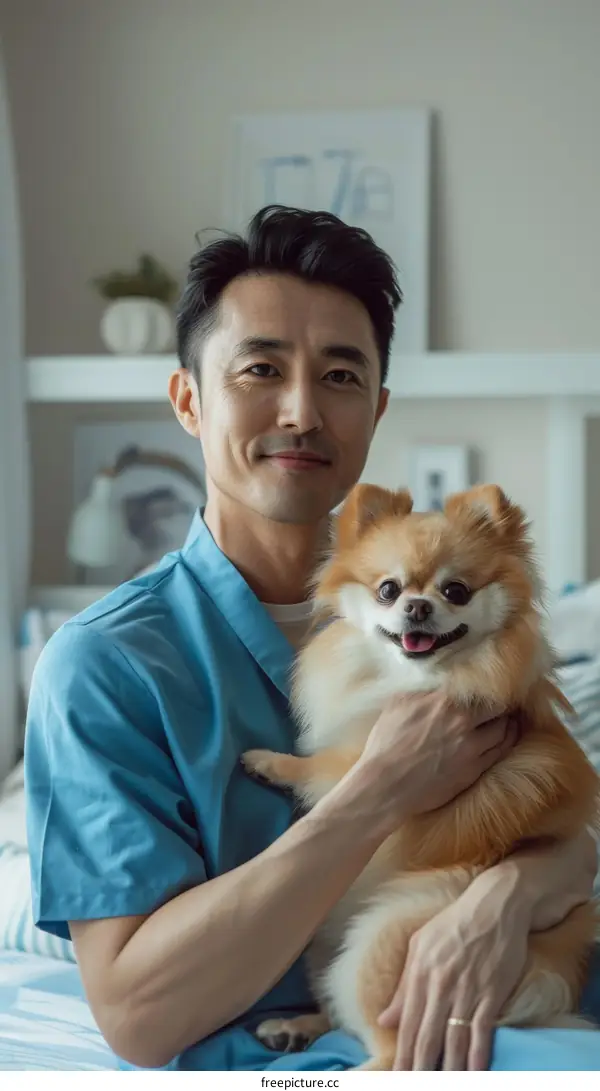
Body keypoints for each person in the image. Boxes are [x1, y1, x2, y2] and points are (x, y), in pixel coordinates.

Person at [25, 206, 600, 1072]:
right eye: (261, 368)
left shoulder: (479, 645)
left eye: (340, 375)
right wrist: (375, 790)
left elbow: (561, 824)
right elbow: (139, 1016)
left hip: (533, 1000)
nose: (301, 410)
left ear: (376, 407)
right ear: (189, 399)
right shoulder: (110, 665)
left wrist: (506, 898)